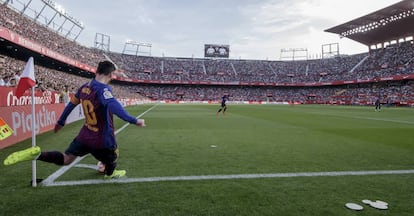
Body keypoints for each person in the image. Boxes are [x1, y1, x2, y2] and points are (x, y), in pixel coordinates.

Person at [4, 60, 145, 179]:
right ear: (110, 75)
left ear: (96, 71)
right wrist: (133, 120)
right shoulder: (103, 89)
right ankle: (110, 173)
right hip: (102, 138)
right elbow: (113, 104)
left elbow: (71, 104)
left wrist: (60, 121)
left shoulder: (84, 87)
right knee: (113, 156)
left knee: (66, 159)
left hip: (85, 135)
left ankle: (38, 154)